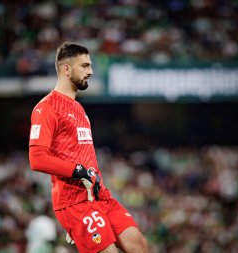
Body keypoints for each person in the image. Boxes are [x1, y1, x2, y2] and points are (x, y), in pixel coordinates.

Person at [28, 41, 148, 253]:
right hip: (74, 202)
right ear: (66, 69)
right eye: (84, 66)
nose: (91, 71)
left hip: (100, 197)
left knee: (139, 245)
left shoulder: (79, 109)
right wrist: (79, 172)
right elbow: (37, 158)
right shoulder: (46, 108)